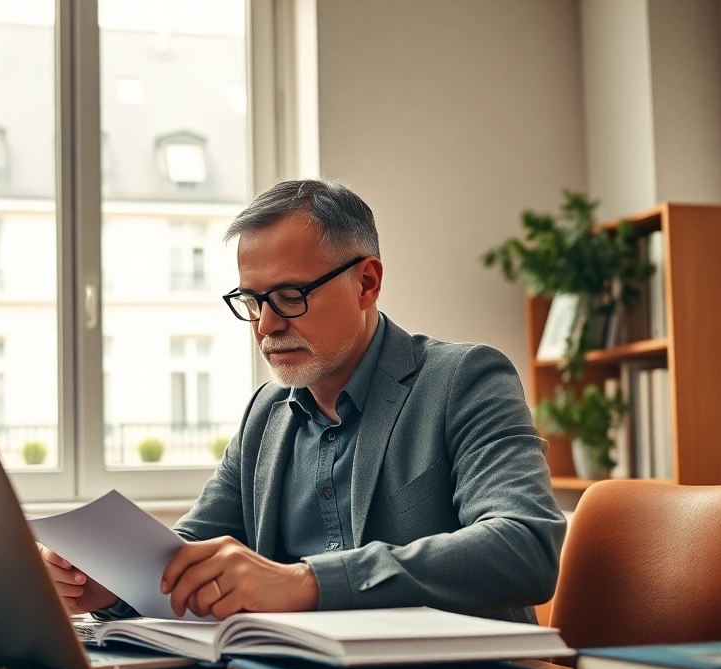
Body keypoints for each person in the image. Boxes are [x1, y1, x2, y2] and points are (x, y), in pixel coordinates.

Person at [39, 179, 565, 624]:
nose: (267, 325)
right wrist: (109, 584)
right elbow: (186, 557)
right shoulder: (265, 415)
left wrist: (306, 583)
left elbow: (525, 546)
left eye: (291, 296)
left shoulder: (465, 379)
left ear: (367, 282)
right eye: (252, 301)